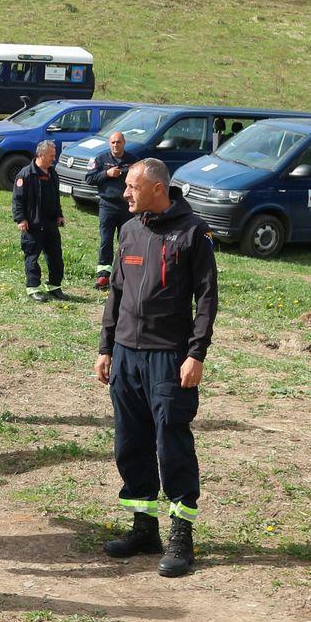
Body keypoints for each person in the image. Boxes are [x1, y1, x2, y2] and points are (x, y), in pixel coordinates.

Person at [94, 158, 218, 579]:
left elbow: (206, 298)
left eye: (132, 186)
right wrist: (105, 346)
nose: (125, 193)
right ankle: (143, 528)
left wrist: (196, 354)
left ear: (158, 189)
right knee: (130, 442)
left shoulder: (192, 232)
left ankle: (181, 536)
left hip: (169, 356)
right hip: (126, 354)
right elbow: (116, 293)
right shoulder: (128, 230)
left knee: (172, 444)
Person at [13, 140, 68, 302]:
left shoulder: (52, 173)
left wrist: (59, 214)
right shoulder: (26, 174)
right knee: (32, 257)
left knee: (56, 257)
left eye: (54, 155)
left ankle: (54, 286)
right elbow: (17, 199)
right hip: (32, 224)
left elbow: (56, 197)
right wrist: (21, 219)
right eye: (51, 155)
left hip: (50, 224)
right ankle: (33, 288)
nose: (54, 158)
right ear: (41, 155)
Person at [85, 131, 137, 290]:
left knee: (127, 242)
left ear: (124, 143)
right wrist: (106, 173)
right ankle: (103, 276)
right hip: (107, 205)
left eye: (118, 142)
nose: (115, 145)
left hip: (126, 207)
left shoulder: (133, 160)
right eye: (113, 142)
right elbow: (89, 179)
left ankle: (125, 274)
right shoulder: (101, 159)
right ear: (109, 143)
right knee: (105, 241)